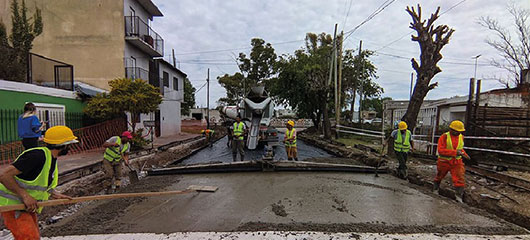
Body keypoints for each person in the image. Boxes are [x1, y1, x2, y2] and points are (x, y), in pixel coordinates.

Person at [0, 126, 76, 240]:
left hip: (27, 206)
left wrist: (54, 193)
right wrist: (25, 196)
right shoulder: (37, 156)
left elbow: (37, 182)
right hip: (14, 205)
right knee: (29, 238)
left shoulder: (50, 158)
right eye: (70, 144)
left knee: (31, 237)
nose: (70, 147)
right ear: (63, 145)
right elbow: (3, 175)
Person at [433, 120, 470, 203]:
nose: (458, 133)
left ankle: (458, 196)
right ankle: (435, 188)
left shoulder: (461, 137)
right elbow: (440, 150)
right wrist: (454, 153)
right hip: (444, 161)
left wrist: (465, 155)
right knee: (439, 176)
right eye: (457, 131)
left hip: (456, 162)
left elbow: (460, 148)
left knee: (459, 178)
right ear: (451, 130)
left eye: (460, 131)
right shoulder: (444, 137)